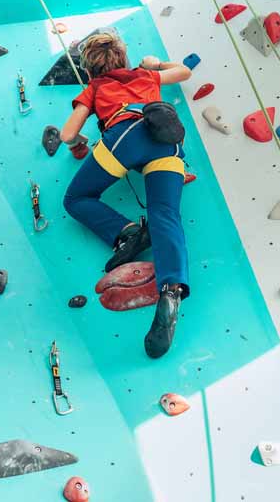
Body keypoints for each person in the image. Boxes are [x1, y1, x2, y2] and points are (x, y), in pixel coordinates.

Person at [60, 31, 192, 359]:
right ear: (125, 59)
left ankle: (128, 231)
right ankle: (171, 290)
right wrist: (155, 63)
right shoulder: (145, 74)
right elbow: (185, 72)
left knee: (76, 198)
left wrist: (77, 145)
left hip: (127, 135)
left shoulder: (95, 87)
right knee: (166, 214)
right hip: (167, 141)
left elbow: (67, 134)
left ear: (90, 70)